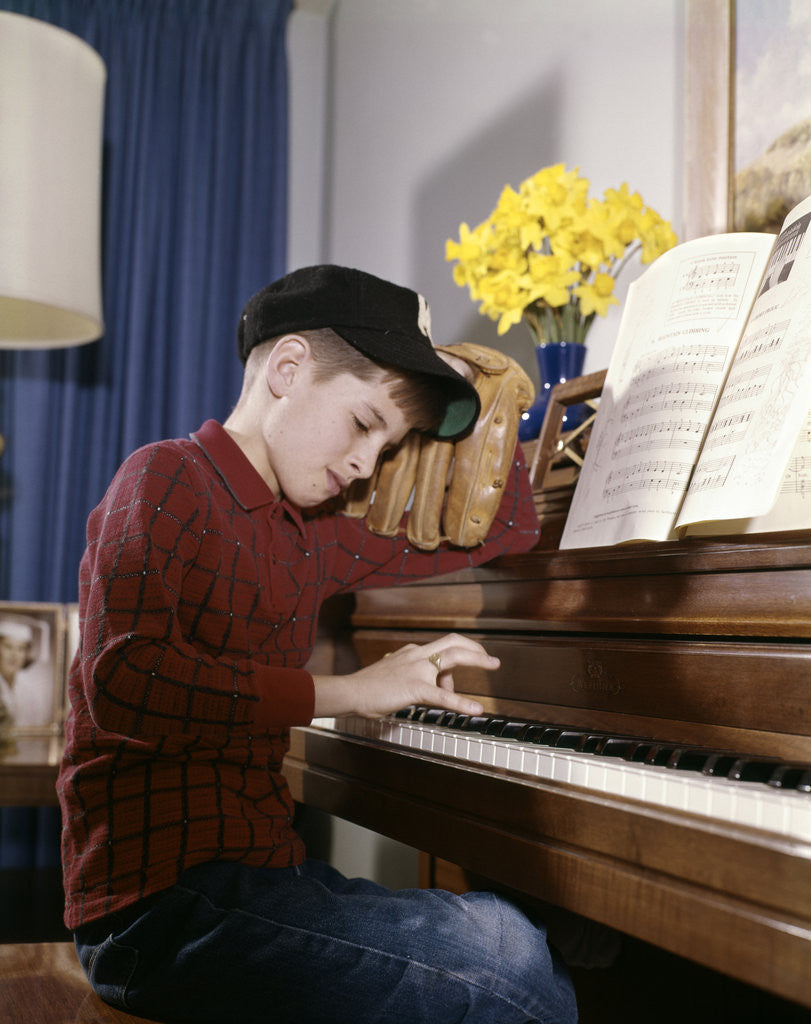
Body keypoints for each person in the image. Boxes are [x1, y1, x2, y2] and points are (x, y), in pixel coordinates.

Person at [58, 265, 578, 1024]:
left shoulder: (314, 536)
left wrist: (488, 392)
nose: (369, 464)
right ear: (287, 368)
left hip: (263, 881)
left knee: (512, 937)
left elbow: (509, 531)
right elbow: (128, 682)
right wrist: (349, 692)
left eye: (391, 444)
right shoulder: (164, 477)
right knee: (511, 963)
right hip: (153, 910)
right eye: (365, 424)